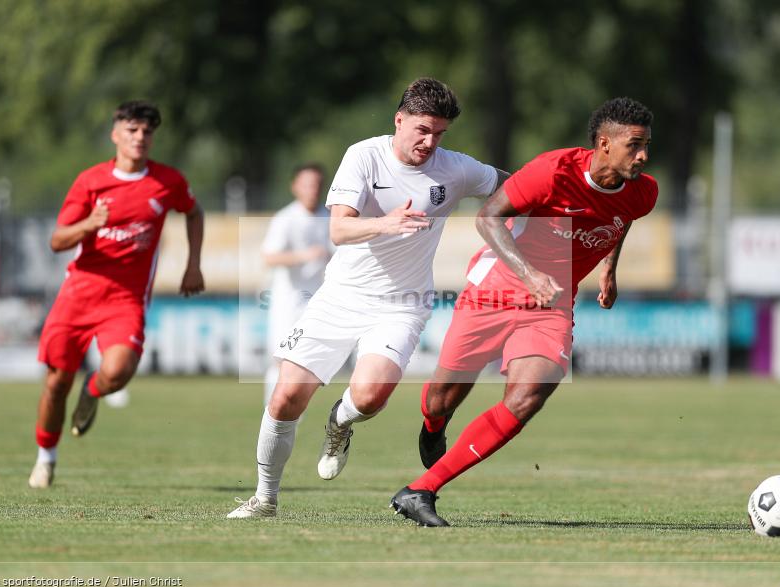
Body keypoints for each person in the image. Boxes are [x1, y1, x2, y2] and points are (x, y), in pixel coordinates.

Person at [228, 77, 509, 518]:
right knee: (285, 399)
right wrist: (386, 223)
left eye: (439, 133)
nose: (430, 142)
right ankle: (264, 499)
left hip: (403, 302)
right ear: (399, 120)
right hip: (340, 296)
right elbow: (338, 229)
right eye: (422, 130)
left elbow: (515, 186)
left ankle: (340, 422)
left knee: (372, 395)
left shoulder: (455, 168)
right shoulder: (364, 156)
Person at [389, 97, 658, 526]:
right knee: (442, 397)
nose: (643, 155)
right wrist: (530, 274)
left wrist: (609, 268)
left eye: (647, 145)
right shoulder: (552, 171)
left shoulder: (644, 192)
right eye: (635, 145)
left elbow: (622, 219)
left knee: (530, 393)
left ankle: (421, 490)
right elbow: (488, 218)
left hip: (551, 303)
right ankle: (434, 424)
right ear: (604, 143)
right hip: (495, 287)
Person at [29, 100, 205, 488]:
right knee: (57, 383)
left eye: (147, 132)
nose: (140, 137)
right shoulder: (91, 181)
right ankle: (46, 458)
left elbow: (193, 212)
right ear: (115, 135)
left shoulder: (167, 181)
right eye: (132, 130)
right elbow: (58, 240)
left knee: (118, 372)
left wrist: (194, 265)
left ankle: (92, 392)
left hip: (125, 299)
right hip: (78, 294)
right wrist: (90, 223)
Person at [260, 164, 333, 407]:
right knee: (281, 359)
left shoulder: (330, 217)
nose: (313, 190)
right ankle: (272, 410)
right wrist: (305, 255)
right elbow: (270, 257)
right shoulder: (286, 218)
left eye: (317, 184)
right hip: (287, 301)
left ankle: (294, 410)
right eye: (307, 184)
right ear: (295, 186)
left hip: (317, 301)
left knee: (308, 361)